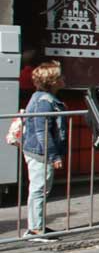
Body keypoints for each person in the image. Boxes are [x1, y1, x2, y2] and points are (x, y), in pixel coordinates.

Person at [22, 61, 67, 240]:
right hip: (40, 153)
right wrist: (53, 155)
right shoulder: (44, 101)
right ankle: (34, 229)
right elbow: (43, 131)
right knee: (39, 190)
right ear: (52, 81)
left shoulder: (43, 98)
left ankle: (37, 226)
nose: (63, 79)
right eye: (60, 76)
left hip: (38, 152)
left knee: (40, 189)